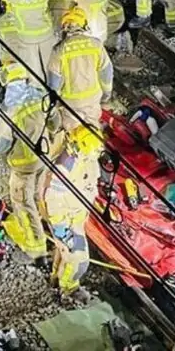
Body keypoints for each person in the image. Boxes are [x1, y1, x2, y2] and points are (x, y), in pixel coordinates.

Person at [0, 61, 56, 257]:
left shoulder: (10, 111)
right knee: (38, 194)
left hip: (24, 165)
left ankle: (35, 247)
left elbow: (2, 144)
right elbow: (55, 122)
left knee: (23, 202)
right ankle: (45, 224)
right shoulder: (41, 97)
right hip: (45, 156)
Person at [41, 125, 103, 297]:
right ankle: (68, 289)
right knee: (79, 260)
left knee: (64, 253)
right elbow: (52, 200)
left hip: (78, 216)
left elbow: (91, 179)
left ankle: (55, 279)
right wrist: (60, 228)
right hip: (66, 220)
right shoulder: (64, 168)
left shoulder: (87, 159)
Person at [47, 7, 114, 132]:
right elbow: (106, 73)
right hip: (93, 98)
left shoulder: (59, 50)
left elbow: (53, 83)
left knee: (74, 133)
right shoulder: (96, 45)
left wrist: (55, 104)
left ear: (64, 28)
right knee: (93, 131)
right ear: (84, 25)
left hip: (71, 103)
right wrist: (106, 94)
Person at [2, 0, 58, 80]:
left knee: (33, 70)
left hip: (27, 39)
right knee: (51, 65)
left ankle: (38, 87)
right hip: (47, 35)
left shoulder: (14, 0)